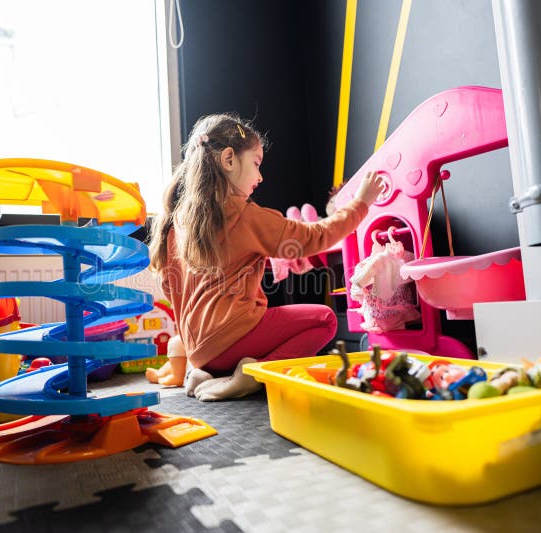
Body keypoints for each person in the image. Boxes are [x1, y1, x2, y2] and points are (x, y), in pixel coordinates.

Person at [145, 112, 385, 400]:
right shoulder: (246, 215)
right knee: (324, 319)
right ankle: (253, 374)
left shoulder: (177, 222)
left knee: (244, 326)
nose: (260, 176)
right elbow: (316, 236)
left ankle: (210, 374)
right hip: (232, 341)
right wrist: (361, 203)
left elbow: (176, 288)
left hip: (200, 352)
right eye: (256, 164)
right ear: (229, 159)